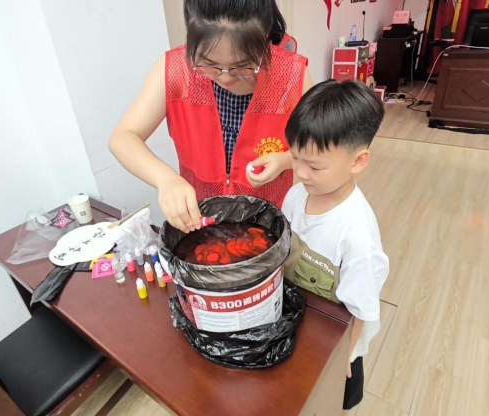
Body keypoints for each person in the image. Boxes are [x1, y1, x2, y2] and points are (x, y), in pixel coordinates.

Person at [109, 0, 313, 233]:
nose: (225, 78)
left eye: (242, 66)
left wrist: (286, 160)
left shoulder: (291, 76)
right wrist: (166, 179)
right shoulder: (173, 70)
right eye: (208, 64)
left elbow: (316, 148)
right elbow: (123, 137)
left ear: (264, 38)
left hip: (266, 223)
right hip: (201, 222)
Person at [281, 80, 390, 415]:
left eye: (314, 166)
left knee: (331, 400)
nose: (300, 173)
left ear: (358, 161)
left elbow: (360, 309)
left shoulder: (357, 235)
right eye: (295, 157)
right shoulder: (296, 195)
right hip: (300, 318)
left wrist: (344, 356)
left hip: (340, 340)